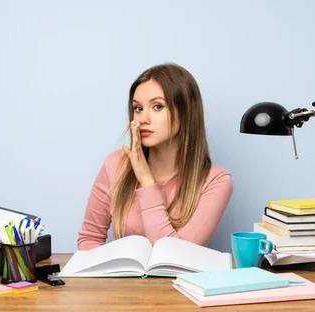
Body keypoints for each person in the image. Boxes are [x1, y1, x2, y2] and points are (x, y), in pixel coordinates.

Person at [77, 63, 233, 250]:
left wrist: (146, 181)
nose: (143, 119)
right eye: (138, 108)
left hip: (177, 279)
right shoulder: (115, 164)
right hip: (125, 278)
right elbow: (89, 239)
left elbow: (175, 254)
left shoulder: (215, 181)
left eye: (158, 107)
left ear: (186, 113)